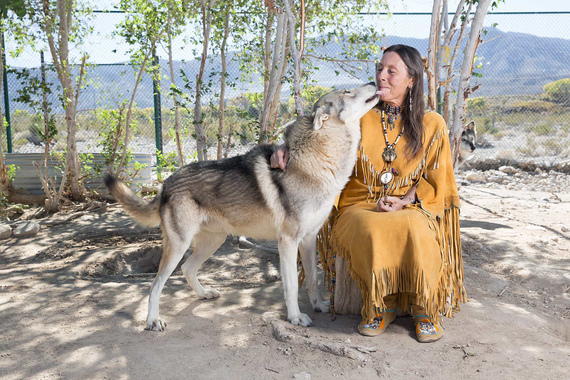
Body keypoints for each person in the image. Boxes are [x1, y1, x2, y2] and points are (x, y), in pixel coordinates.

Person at [271, 44, 466, 343]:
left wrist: (405, 201)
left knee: (414, 225)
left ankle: (423, 308)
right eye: (379, 69)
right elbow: (315, 128)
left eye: (392, 71)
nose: (381, 77)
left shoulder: (432, 123)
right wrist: (283, 149)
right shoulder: (360, 114)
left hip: (407, 204)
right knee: (372, 226)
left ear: (412, 79)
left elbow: (433, 177)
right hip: (358, 204)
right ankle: (379, 306)